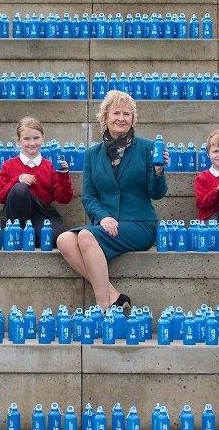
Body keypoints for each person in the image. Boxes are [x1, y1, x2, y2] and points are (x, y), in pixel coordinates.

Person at [56, 90, 168, 310]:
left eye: (127, 114)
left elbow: (157, 193)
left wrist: (158, 171)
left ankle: (103, 307)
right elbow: (89, 197)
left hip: (139, 224)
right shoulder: (92, 154)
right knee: (64, 241)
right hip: (107, 223)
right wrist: (103, 216)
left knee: (87, 236)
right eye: (116, 112)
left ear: (133, 120)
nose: (121, 118)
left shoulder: (147, 148)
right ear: (105, 117)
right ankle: (115, 296)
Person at [0, 116, 73, 247]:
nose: (32, 143)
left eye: (36, 138)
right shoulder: (8, 165)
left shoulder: (50, 166)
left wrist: (63, 174)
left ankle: (31, 236)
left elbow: (64, 199)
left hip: (42, 213)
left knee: (51, 239)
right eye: (26, 139)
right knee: (20, 189)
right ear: (19, 141)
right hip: (16, 216)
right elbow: (0, 196)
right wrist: (18, 179)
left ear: (43, 138)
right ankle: (17, 233)